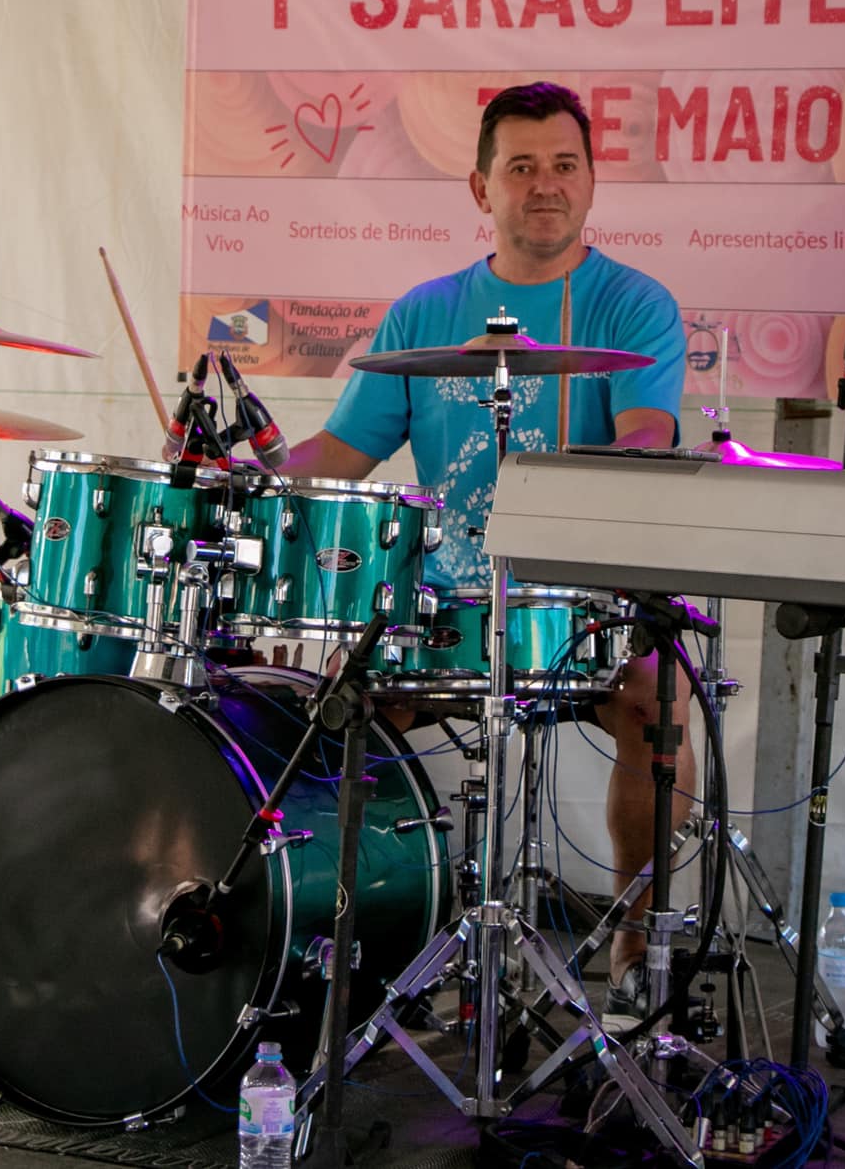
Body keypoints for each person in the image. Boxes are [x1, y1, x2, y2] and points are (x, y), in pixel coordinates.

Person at [280, 81, 693, 1023]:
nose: (544, 186)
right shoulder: (425, 313)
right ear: (480, 188)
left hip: (585, 601)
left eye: (564, 166)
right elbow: (341, 454)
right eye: (521, 168)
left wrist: (573, 482)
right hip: (445, 610)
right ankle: (373, 931)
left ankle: (632, 939)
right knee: (326, 716)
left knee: (656, 702)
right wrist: (243, 470)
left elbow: (647, 433)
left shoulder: (634, 305)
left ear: (591, 181)